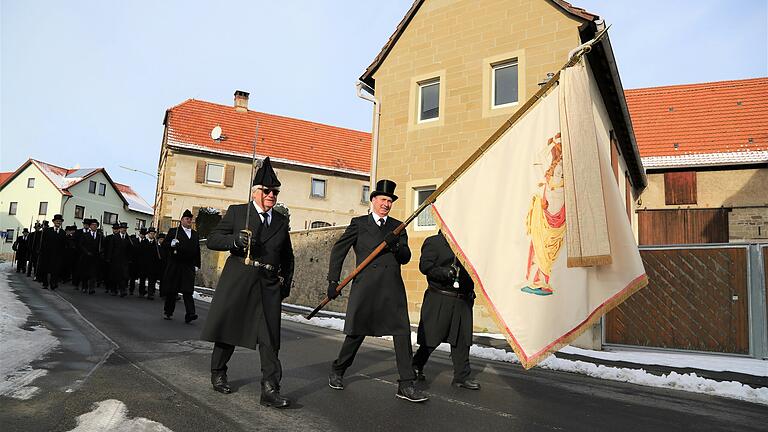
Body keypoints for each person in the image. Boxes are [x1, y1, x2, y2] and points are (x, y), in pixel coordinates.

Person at [201, 157, 294, 409]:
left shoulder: (281, 221)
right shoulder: (238, 212)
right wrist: (234, 241)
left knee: (269, 338)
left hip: (268, 285)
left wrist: (285, 284)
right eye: (267, 191)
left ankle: (270, 389)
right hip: (240, 280)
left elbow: (288, 256)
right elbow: (212, 239)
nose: (271, 195)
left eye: (275, 192)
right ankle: (218, 372)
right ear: (255, 192)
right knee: (229, 330)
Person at [326, 179, 427, 403]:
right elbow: (339, 250)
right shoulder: (359, 224)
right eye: (383, 199)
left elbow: (406, 257)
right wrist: (333, 281)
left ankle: (406, 384)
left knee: (401, 334)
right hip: (366, 287)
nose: (386, 204)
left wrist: (396, 244)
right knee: (356, 333)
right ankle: (338, 370)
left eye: (390, 201)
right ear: (373, 200)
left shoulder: (398, 226)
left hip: (391, 288)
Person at [412, 231, 479, 390]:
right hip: (440, 297)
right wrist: (442, 272)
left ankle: (461, 377)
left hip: (463, 299)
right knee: (432, 338)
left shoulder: (468, 243)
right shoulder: (434, 241)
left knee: (462, 340)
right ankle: (416, 365)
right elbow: (425, 266)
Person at [161, 210, 201, 322]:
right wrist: (171, 244)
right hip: (176, 264)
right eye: (187, 219)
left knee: (188, 290)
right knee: (172, 290)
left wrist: (197, 264)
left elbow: (197, 250)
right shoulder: (174, 231)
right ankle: (168, 312)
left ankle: (190, 314)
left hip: (188, 266)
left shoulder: (194, 234)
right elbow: (164, 245)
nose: (189, 221)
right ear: (181, 220)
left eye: (190, 219)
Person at [104, 222, 133, 297]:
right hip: (115, 259)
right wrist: (109, 258)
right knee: (114, 275)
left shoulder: (128, 238)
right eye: (123, 228)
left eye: (125, 229)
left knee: (123, 276)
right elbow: (111, 248)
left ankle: (122, 290)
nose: (124, 230)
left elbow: (130, 249)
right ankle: (114, 290)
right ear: (120, 229)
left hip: (124, 260)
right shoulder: (115, 237)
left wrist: (129, 259)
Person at [39, 214, 67, 290]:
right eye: (57, 221)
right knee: (46, 269)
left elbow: (64, 245)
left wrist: (62, 254)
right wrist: (43, 251)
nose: (58, 222)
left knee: (55, 270)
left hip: (58, 255)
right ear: (54, 222)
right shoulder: (47, 230)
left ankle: (53, 284)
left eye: (60, 221)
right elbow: (43, 242)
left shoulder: (63, 233)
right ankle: (45, 283)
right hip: (47, 254)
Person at [78, 219, 103, 295]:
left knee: (93, 273)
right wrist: (86, 252)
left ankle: (91, 288)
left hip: (95, 258)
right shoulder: (85, 235)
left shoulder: (100, 236)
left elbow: (103, 245)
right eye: (93, 225)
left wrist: (101, 250)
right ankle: (84, 287)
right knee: (85, 273)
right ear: (90, 226)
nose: (94, 226)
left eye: (96, 225)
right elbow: (81, 245)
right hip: (86, 257)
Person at [144, 227, 161, 300]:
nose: (152, 235)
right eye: (151, 233)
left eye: (153, 234)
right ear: (148, 234)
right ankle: (142, 292)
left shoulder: (156, 244)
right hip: (145, 264)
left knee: (152, 280)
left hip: (153, 265)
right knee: (143, 279)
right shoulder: (144, 242)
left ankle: (150, 293)